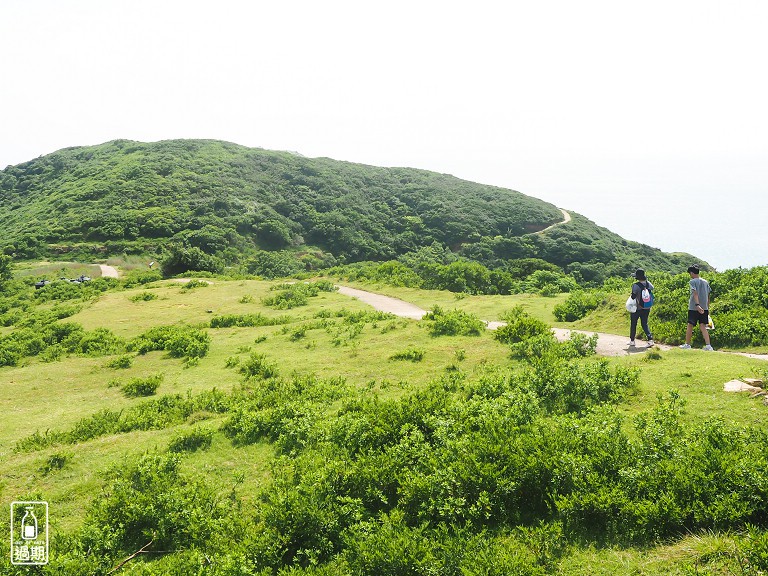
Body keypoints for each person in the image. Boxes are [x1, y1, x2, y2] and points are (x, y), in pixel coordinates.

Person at [679, 264, 714, 351]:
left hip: (694, 307)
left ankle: (687, 344)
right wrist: (707, 308)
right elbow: (708, 296)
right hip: (705, 308)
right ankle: (708, 346)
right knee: (703, 326)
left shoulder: (692, 282)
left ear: (691, 273)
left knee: (690, 325)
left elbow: (695, 293)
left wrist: (697, 305)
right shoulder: (706, 282)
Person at [629, 268, 654, 347]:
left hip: (637, 308)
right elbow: (652, 288)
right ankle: (650, 339)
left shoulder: (635, 286)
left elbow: (633, 297)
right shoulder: (648, 284)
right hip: (647, 307)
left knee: (633, 323)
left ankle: (632, 341)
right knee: (644, 324)